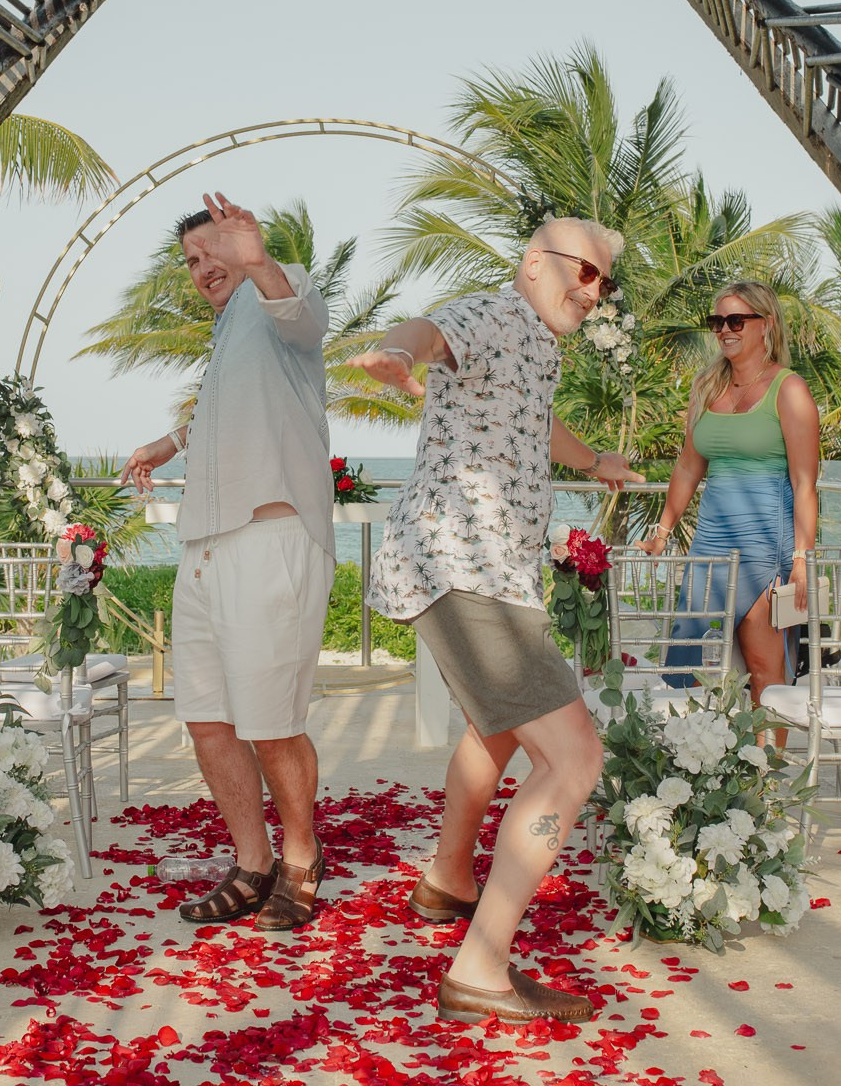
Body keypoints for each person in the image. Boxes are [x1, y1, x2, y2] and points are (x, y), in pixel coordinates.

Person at [351, 217, 643, 1025]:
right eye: (583, 272)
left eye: (603, 283)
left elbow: (533, 421)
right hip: (463, 566)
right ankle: (480, 967)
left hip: (495, 575)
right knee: (576, 759)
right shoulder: (494, 312)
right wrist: (399, 354)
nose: (592, 292)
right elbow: (433, 331)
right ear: (534, 265)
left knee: (502, 733)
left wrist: (594, 463)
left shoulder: (538, 348)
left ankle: (448, 875)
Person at [121, 193, 334, 932]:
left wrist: (261, 261)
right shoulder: (228, 334)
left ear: (244, 245)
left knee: (271, 722)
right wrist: (168, 444)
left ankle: (302, 858)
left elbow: (305, 320)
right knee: (208, 721)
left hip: (269, 540)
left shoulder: (281, 295)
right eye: (191, 260)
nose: (202, 267)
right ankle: (252, 863)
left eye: (213, 251)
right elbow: (226, 408)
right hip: (204, 546)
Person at [635, 280, 821, 710]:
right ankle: (707, 767)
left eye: (736, 319)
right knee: (692, 666)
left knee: (764, 668)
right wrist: (662, 532)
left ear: (766, 325)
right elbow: (688, 465)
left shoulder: (789, 390)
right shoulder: (706, 386)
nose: (724, 330)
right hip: (710, 546)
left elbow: (804, 483)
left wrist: (801, 562)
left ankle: (764, 777)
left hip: (766, 547)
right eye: (717, 321)